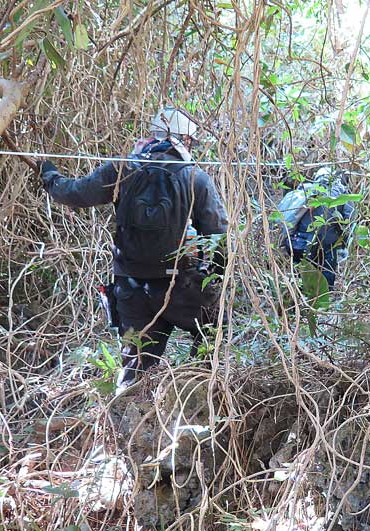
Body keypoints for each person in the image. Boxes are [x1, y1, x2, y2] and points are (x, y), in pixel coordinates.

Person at [39, 107, 228, 393]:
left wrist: (50, 176)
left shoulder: (122, 169)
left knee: (135, 371)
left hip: (131, 287)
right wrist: (216, 277)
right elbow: (218, 233)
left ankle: (126, 424)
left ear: (153, 136)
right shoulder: (194, 177)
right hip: (182, 287)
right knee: (215, 334)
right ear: (186, 141)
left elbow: (76, 193)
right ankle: (196, 392)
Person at [279, 166, 355, 288]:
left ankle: (303, 295)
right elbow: (349, 219)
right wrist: (343, 240)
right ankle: (326, 297)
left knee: (305, 268)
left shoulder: (306, 189)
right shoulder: (342, 193)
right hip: (329, 240)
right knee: (328, 269)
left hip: (303, 238)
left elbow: (293, 213)